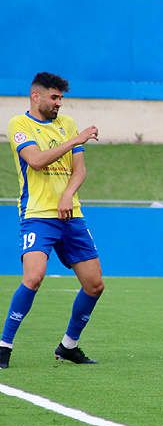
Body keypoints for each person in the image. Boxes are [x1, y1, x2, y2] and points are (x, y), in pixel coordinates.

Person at [0, 72, 104, 369]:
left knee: (95, 285)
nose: (59, 103)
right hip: (37, 215)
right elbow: (35, 160)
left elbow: (79, 170)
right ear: (36, 96)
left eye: (61, 98)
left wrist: (67, 195)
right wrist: (75, 139)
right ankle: (4, 346)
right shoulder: (19, 125)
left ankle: (68, 346)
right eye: (54, 97)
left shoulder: (67, 125)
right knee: (33, 277)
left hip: (71, 214)